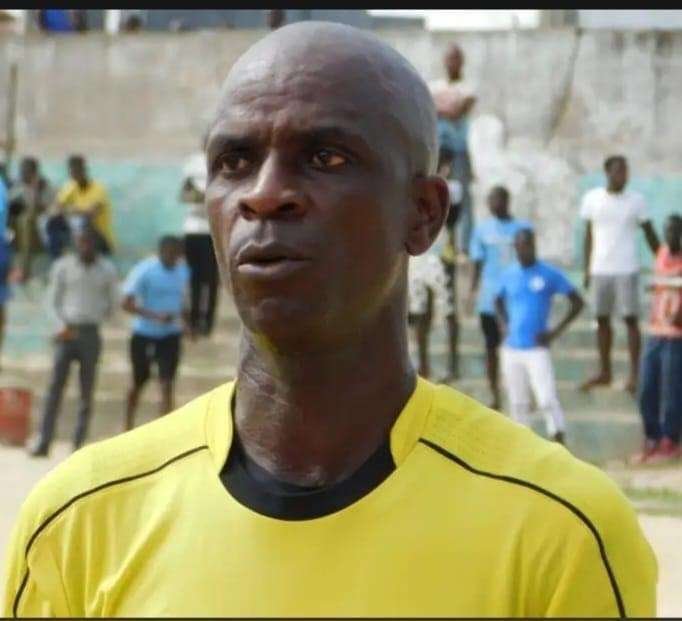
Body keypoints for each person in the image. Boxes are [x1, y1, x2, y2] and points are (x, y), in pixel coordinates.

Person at [4, 22, 656, 618]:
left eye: (328, 158)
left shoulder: (561, 534)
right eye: (234, 161)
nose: (264, 194)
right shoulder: (79, 522)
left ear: (425, 213)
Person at [27, 227, 119, 457]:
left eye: (89, 242)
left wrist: (96, 316)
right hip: (66, 331)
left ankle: (77, 446)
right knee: (54, 389)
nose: (85, 246)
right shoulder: (63, 266)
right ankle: (44, 441)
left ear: (95, 244)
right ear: (76, 243)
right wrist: (60, 326)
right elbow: (51, 301)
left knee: (86, 391)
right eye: (81, 242)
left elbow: (113, 302)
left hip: (90, 333)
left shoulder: (107, 270)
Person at [495, 229, 584, 444]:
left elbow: (577, 302)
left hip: (536, 347)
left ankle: (559, 441)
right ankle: (522, 447)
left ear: (533, 246)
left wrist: (555, 332)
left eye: (526, 245)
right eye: (518, 246)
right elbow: (497, 300)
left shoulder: (548, 274)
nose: (522, 250)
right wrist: (504, 324)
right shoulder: (509, 274)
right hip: (512, 348)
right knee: (518, 403)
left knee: (546, 399)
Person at [580, 155, 659, 396]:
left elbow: (649, 232)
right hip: (600, 268)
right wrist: (586, 268)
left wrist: (664, 260)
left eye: (625, 171)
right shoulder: (592, 199)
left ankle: (635, 374)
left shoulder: (636, 201)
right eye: (618, 171)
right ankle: (605, 371)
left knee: (630, 320)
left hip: (627, 268)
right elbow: (588, 235)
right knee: (602, 319)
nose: (623, 176)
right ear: (607, 173)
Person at [467, 186, 531, 409]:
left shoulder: (522, 228)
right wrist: (472, 291)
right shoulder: (482, 230)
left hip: (517, 298)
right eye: (490, 200)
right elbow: (477, 262)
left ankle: (522, 392)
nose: (494, 204)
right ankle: (494, 392)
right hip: (490, 299)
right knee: (490, 347)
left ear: (507, 201)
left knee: (520, 348)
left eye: (498, 200)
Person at [122, 235, 191, 431]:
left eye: (177, 254)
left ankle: (164, 430)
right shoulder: (144, 270)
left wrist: (186, 324)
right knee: (138, 382)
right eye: (170, 254)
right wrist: (154, 316)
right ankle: (127, 425)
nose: (174, 258)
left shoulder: (183, 271)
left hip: (170, 335)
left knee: (167, 383)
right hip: (144, 334)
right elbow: (126, 304)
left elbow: (183, 300)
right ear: (161, 252)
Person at [408, 146, 461, 380]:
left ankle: (453, 365)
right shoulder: (415, 186)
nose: (446, 167)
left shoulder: (452, 188)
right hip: (421, 255)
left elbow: (452, 219)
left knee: (448, 308)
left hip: (441, 254)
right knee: (421, 310)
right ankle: (424, 366)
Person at [633, 214, 682, 464]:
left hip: (676, 335)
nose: (671, 236)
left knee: (672, 391)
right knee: (646, 389)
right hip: (656, 331)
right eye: (668, 231)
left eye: (675, 231)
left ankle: (670, 440)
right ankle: (651, 438)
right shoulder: (661, 254)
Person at [429, 43, 476, 256]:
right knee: (433, 193)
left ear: (461, 62)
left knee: (463, 198)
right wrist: (446, 106)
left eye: (455, 58)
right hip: (437, 149)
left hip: (458, 150)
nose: (451, 62)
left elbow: (459, 110)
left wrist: (440, 106)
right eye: (449, 58)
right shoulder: (435, 86)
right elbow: (429, 106)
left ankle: (464, 247)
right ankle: (435, 245)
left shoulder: (467, 87)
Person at [180, 149, 220, 336]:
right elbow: (184, 196)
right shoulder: (193, 163)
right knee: (194, 279)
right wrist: (201, 196)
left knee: (211, 280)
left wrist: (202, 196)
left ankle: (207, 324)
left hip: (212, 232)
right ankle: (194, 321)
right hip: (193, 231)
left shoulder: (220, 160)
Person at [54, 155, 116, 256]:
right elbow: (57, 207)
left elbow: (91, 213)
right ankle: (58, 255)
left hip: (100, 237)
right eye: (72, 172)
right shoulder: (70, 187)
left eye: (77, 171)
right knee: (53, 221)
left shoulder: (98, 189)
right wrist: (72, 210)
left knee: (82, 221)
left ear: (84, 170)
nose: (74, 175)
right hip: (80, 234)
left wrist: (71, 210)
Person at [7, 157, 54, 282]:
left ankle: (25, 269)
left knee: (26, 220)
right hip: (19, 231)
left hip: (41, 230)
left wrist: (35, 190)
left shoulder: (45, 187)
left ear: (34, 172)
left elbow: (48, 209)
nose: (22, 174)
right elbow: (8, 204)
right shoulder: (18, 186)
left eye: (25, 171)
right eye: (21, 171)